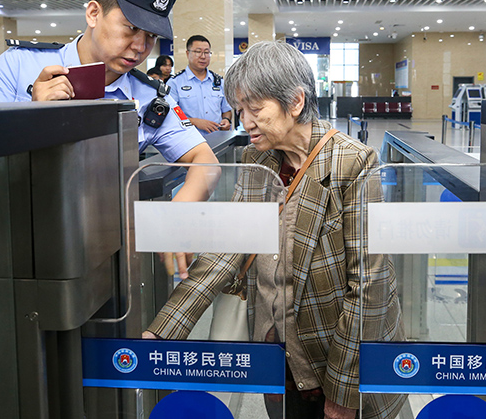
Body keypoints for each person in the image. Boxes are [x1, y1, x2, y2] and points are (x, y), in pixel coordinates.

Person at [144, 41, 405, 419]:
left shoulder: (353, 161)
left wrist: (345, 391)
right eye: (239, 109)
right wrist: (164, 330)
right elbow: (229, 246)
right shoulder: (257, 159)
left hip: (335, 355)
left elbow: (369, 284)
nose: (244, 121)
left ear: (295, 102)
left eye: (255, 108)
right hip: (277, 351)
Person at [0, 0, 218, 278]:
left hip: (104, 251)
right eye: (130, 28)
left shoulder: (148, 98)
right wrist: (30, 117)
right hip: (11, 247)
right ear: (93, 13)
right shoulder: (19, 66)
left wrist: (182, 211)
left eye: (151, 36)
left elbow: (206, 160)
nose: (140, 47)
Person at [167, 35, 233, 135]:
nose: (203, 56)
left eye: (206, 52)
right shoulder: (175, 82)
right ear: (187, 53)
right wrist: (195, 122)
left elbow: (226, 110)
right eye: (198, 52)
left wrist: (226, 120)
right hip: (187, 140)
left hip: (217, 138)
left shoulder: (219, 82)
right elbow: (171, 115)